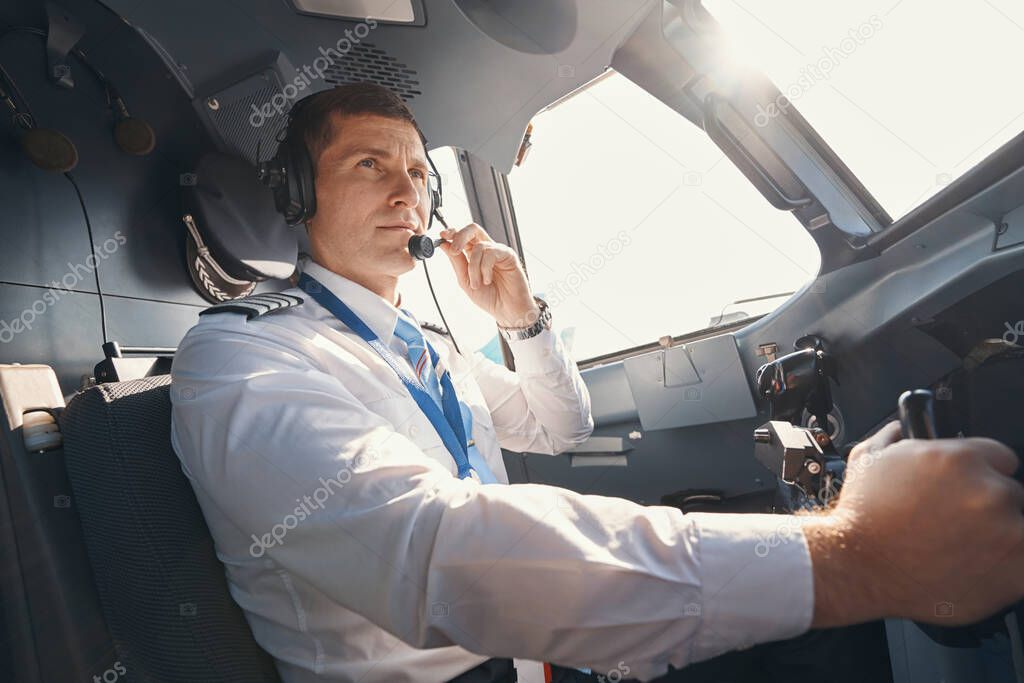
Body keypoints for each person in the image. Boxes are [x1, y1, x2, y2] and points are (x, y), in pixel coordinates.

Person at [170, 83, 1024, 683]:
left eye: (421, 173)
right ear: (294, 192)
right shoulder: (245, 361)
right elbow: (438, 551)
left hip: (528, 656)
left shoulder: (422, 346)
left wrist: (519, 319)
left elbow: (562, 424)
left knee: (822, 654)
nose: (410, 193)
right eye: (370, 166)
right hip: (461, 669)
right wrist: (855, 557)